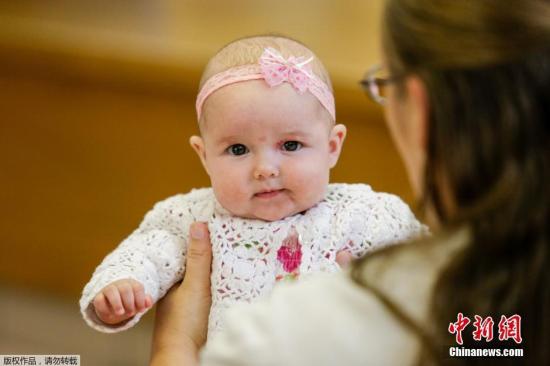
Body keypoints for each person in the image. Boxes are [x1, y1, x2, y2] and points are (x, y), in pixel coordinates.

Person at [149, 0, 549, 365]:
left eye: (384, 86)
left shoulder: (277, 339)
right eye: (238, 149)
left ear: (421, 109)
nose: (265, 169)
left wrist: (175, 342)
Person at [79, 35, 426, 338]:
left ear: (332, 147)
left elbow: (439, 270)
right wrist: (121, 286)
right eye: (238, 149)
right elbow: (144, 254)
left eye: (290, 145)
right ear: (204, 156)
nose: (265, 169)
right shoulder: (193, 220)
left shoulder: (368, 214)